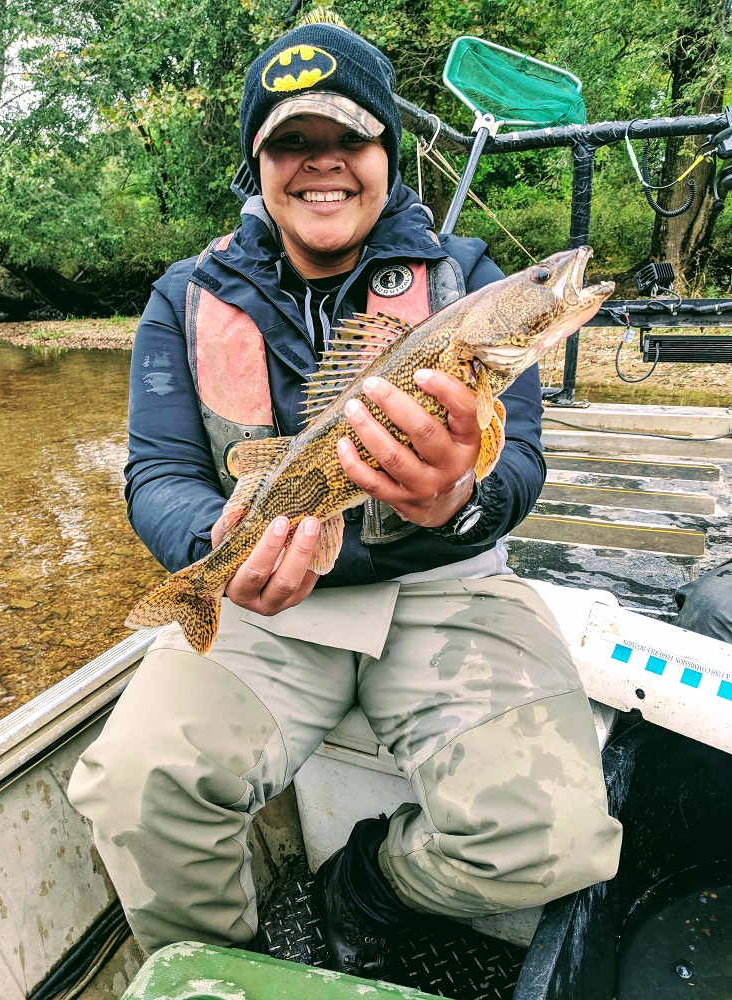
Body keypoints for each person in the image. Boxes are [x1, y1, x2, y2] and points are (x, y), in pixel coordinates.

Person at [67, 14, 622, 978]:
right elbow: (155, 475)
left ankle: (362, 891)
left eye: (349, 137)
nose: (322, 164)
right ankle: (230, 971)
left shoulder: (469, 282)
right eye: (292, 141)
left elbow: (519, 468)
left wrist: (457, 502)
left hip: (448, 585)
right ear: (257, 162)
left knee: (558, 836)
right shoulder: (183, 295)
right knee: (131, 790)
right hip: (268, 602)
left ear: (388, 153)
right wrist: (217, 542)